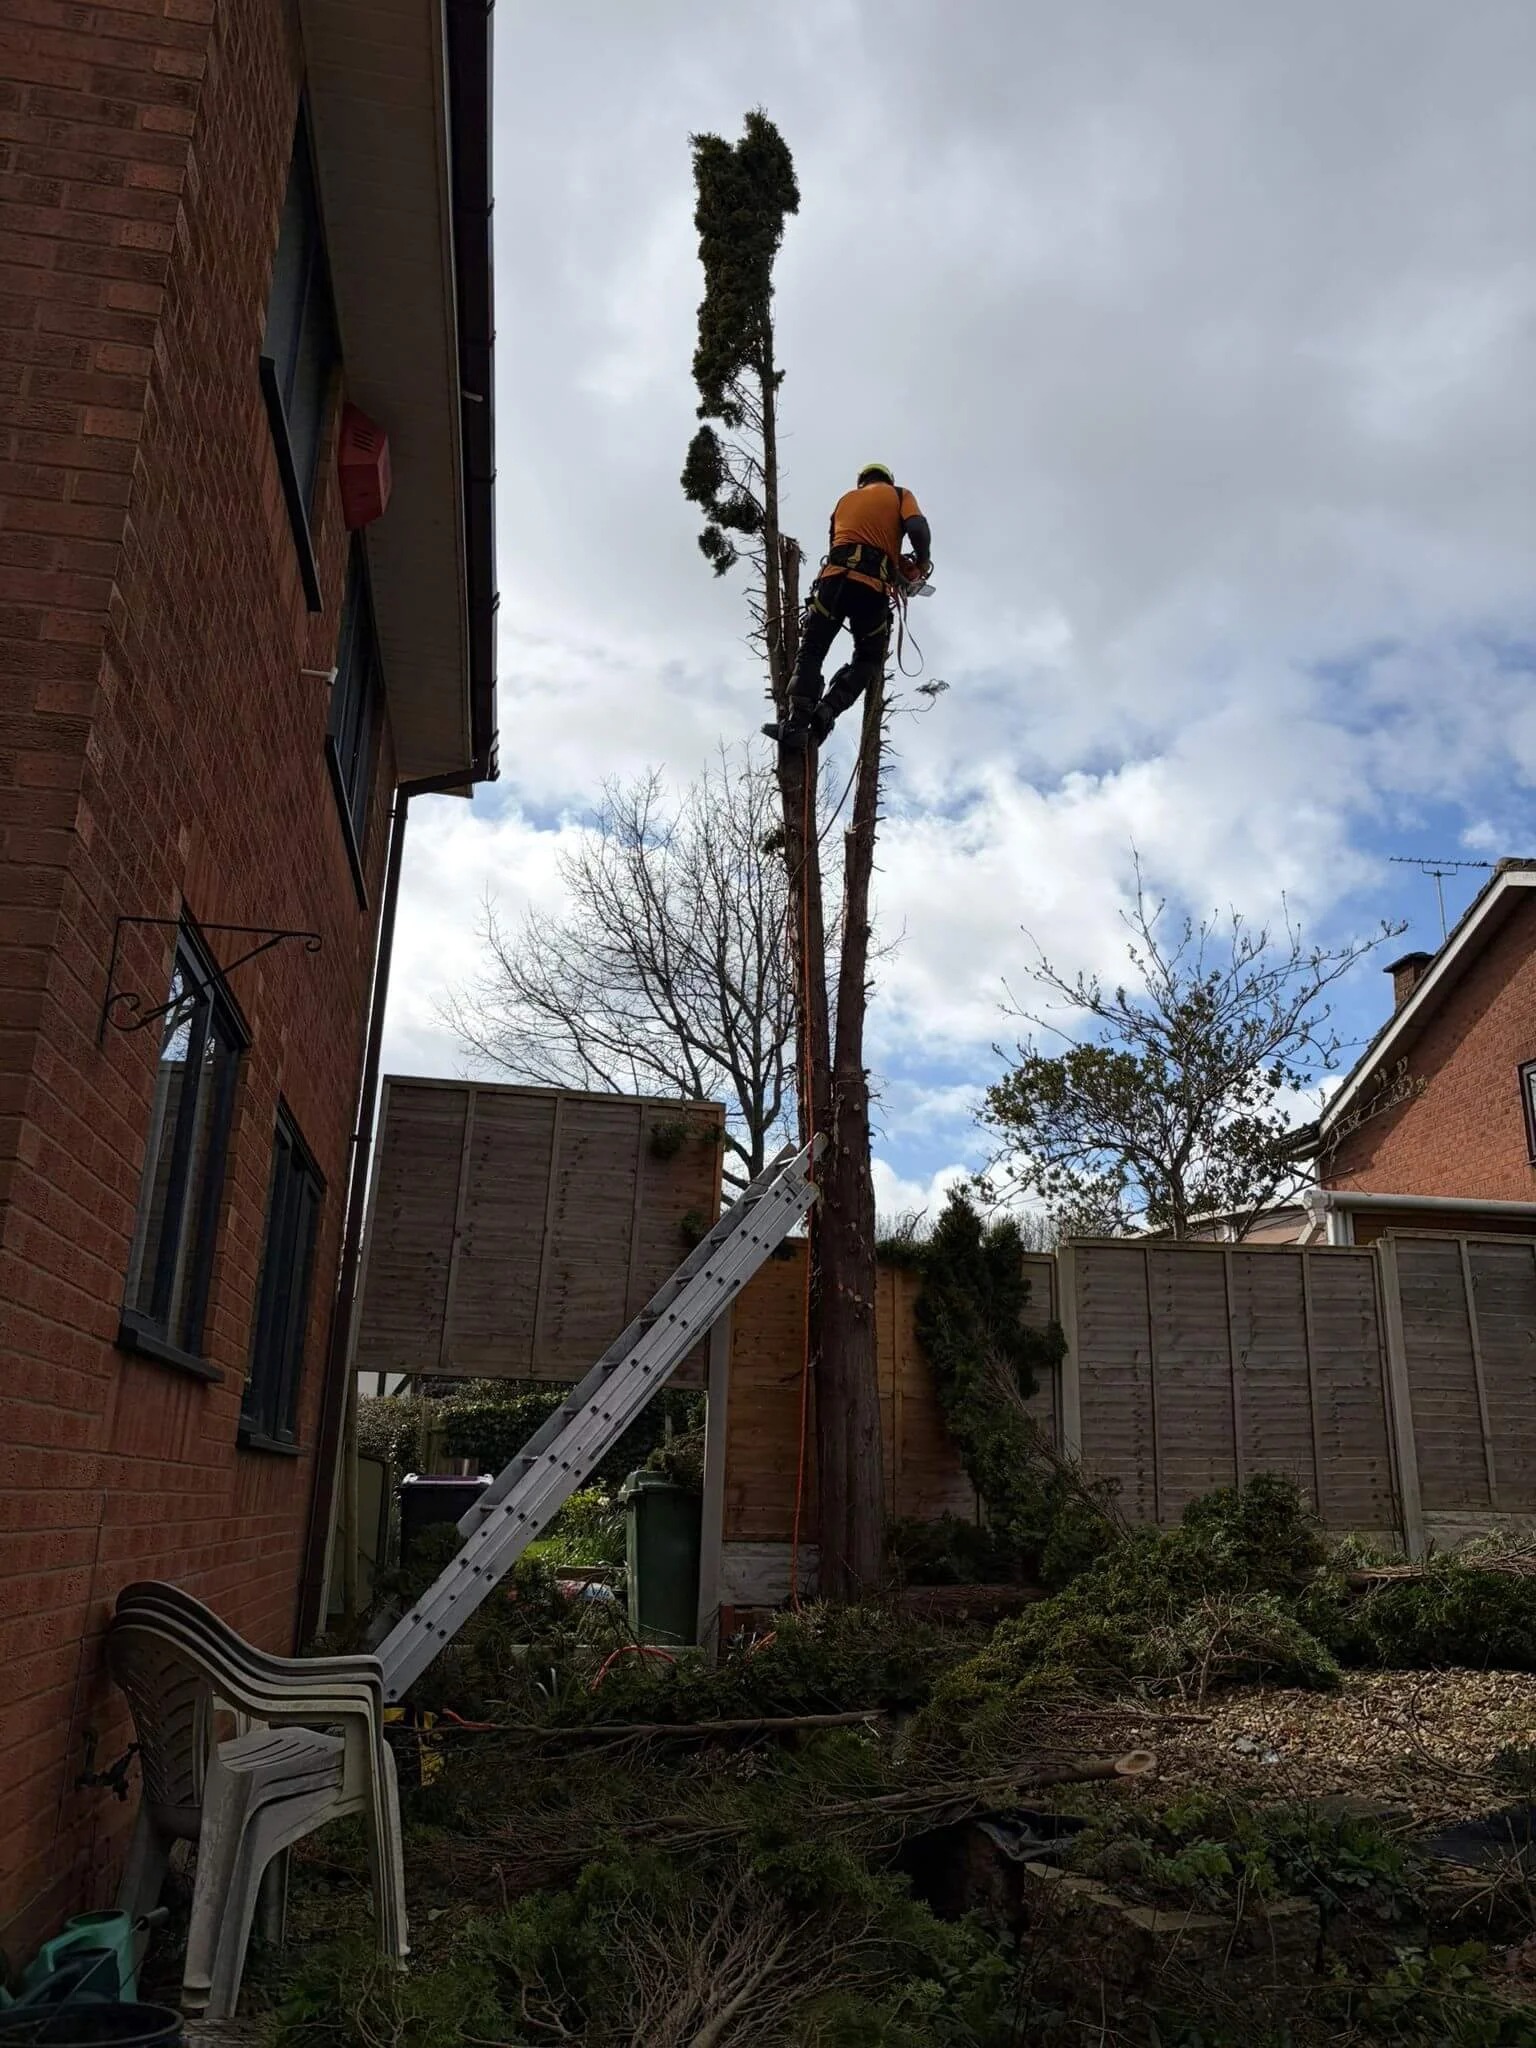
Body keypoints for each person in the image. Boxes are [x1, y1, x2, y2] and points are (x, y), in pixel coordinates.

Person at [762, 462, 931, 749]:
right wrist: (921, 563)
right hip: (871, 589)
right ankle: (826, 712)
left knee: (812, 648)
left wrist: (892, 563)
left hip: (834, 582)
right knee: (868, 658)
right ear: (888, 480)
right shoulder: (899, 495)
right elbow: (917, 527)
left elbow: (844, 546)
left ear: (861, 481)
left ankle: (796, 724)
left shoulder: (844, 501)